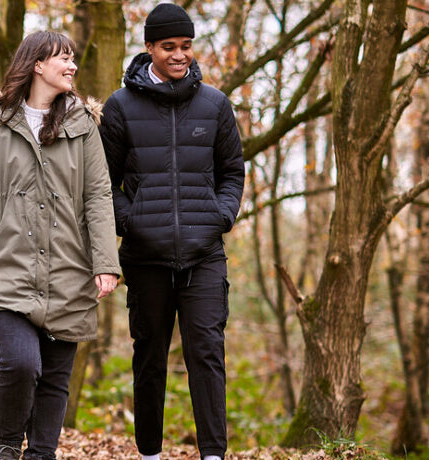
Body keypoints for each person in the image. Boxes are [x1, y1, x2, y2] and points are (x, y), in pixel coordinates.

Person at [0, 30, 121, 460]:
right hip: (5, 266)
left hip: (69, 267)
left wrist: (106, 262)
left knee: (56, 378)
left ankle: (42, 453)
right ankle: (7, 445)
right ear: (37, 64)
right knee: (22, 364)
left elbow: (99, 196)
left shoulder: (84, 126)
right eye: (63, 58)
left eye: (74, 58)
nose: (72, 66)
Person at [98, 3, 245, 460]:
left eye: (185, 46)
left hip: (204, 255)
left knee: (207, 354)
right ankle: (149, 454)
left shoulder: (215, 104)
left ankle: (213, 454)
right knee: (149, 359)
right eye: (169, 47)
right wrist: (132, 222)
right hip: (145, 257)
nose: (179, 55)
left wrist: (219, 217)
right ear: (149, 48)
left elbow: (233, 172)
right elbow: (103, 182)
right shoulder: (120, 106)